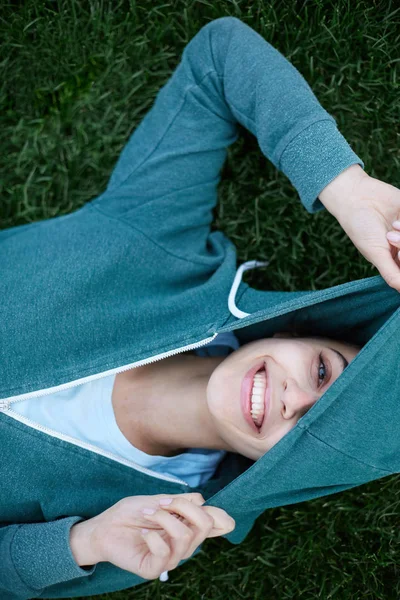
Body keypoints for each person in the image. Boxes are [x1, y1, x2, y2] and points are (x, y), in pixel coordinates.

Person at [1, 15, 400, 600]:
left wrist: (80, 543)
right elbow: (218, 57)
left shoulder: (144, 525)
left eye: (311, 427)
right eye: (322, 371)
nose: (293, 399)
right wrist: (346, 188)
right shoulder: (162, 251)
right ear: (303, 334)